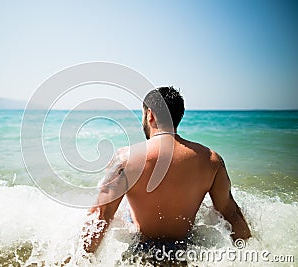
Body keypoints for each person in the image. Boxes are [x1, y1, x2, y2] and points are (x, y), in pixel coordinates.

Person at [81, 87, 251, 264]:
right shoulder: (212, 160)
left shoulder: (126, 159)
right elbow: (231, 214)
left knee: (125, 214)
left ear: (150, 115)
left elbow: (101, 216)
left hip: (141, 252)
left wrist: (78, 260)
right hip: (186, 251)